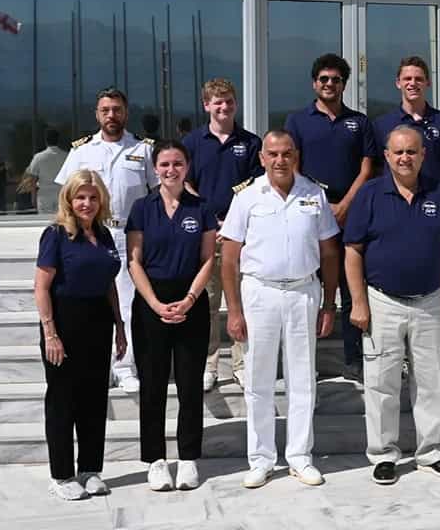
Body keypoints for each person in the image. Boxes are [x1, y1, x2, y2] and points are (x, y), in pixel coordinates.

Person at [218, 131, 341, 488]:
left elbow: (330, 252)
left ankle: (300, 457)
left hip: (304, 291)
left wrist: (329, 302)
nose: (280, 160)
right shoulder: (246, 198)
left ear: (296, 156)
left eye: (287, 153)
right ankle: (261, 458)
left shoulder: (313, 193)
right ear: (261, 158)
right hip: (260, 292)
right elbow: (229, 258)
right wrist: (235, 311)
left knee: (303, 379)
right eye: (273, 154)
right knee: (258, 379)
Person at [344, 125, 440, 485]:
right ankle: (383, 454)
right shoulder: (369, 195)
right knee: (381, 384)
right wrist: (359, 303)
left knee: (431, 382)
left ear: (423, 154)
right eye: (398, 152)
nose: (405, 158)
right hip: (382, 302)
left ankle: (432, 453)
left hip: (429, 301)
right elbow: (352, 251)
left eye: (412, 151)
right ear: (386, 155)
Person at [125, 140, 218, 491]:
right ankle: (156, 460)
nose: (171, 170)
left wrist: (190, 299)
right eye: (164, 164)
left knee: (190, 384)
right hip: (152, 302)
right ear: (155, 168)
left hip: (190, 301)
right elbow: (134, 260)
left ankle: (188, 458)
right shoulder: (141, 208)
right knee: (152, 385)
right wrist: (154, 303)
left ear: (187, 166)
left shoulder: (201, 208)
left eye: (178, 163)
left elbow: (208, 258)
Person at [56, 87, 158, 394]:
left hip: (129, 233)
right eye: (105, 110)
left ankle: (125, 366)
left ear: (126, 113)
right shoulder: (82, 151)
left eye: (116, 109)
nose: (111, 115)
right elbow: (65, 196)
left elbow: (155, 195)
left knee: (127, 303)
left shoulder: (142, 150)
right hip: (91, 234)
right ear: (97, 114)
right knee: (89, 301)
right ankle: (97, 365)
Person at [34, 169, 127, 500]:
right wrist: (50, 333)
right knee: (62, 401)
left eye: (92, 197)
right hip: (64, 321)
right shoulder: (56, 234)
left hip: (98, 322)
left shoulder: (103, 235)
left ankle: (90, 469)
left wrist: (119, 324)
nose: (86, 203)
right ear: (69, 200)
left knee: (94, 399)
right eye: (80, 197)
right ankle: (61, 475)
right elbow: (41, 287)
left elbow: (109, 282)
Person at [284, 53, 377, 382]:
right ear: (314, 83)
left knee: (352, 290)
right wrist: (322, 206)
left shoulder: (360, 122)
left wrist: (345, 205)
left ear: (343, 84)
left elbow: (367, 167)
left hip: (351, 213)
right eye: (323, 79)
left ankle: (355, 360)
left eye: (335, 80)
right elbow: (292, 166)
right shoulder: (298, 121)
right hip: (311, 211)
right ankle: (305, 364)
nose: (329, 84)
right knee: (311, 286)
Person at [181, 78, 263, 392]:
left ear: (235, 104)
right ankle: (210, 364)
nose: (224, 107)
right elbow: (185, 182)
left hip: (243, 236)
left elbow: (256, 185)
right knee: (208, 301)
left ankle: (243, 363)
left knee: (242, 301)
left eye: (228, 101)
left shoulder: (251, 142)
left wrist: (231, 222)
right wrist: (209, 220)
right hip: (206, 235)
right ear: (206, 105)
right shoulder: (192, 142)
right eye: (217, 102)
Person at [372, 56, 440, 206]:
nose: (412, 83)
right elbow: (377, 170)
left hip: (438, 203)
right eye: (407, 79)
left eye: (419, 79)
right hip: (393, 204)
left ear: (427, 82)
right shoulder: (382, 125)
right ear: (398, 83)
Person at [27, 127, 69, 215]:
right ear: (58, 140)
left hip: (44, 195)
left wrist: (33, 197)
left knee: (44, 222)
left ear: (46, 141)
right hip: (60, 193)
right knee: (61, 221)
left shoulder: (38, 157)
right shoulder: (66, 156)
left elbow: (32, 179)